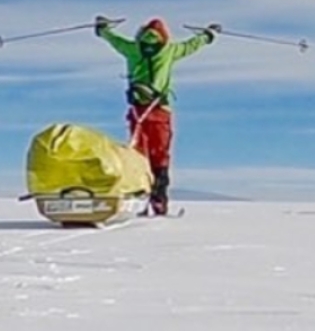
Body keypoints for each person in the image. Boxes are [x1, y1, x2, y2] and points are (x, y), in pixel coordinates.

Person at [94, 16, 221, 215]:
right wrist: (209, 35)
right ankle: (159, 199)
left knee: (138, 153)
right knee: (160, 155)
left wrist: (102, 29)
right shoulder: (169, 50)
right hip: (160, 110)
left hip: (138, 111)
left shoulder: (132, 49)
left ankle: (139, 196)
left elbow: (113, 39)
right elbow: (192, 45)